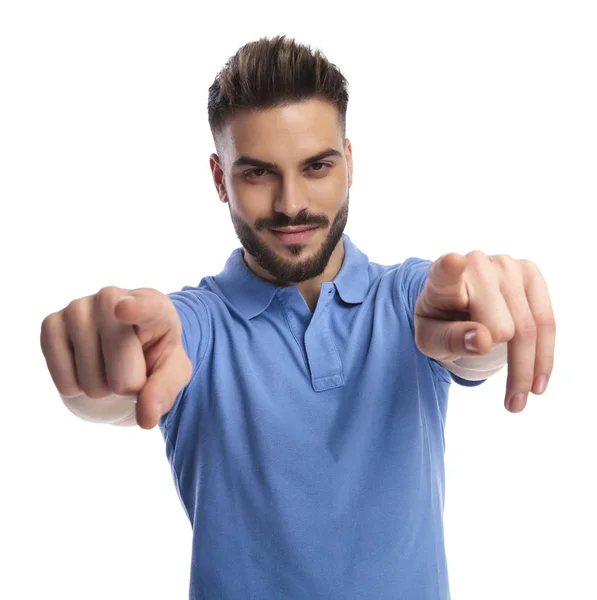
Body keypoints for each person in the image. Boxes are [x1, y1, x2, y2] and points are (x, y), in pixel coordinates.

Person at [40, 35, 555, 600]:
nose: (290, 204)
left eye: (316, 166)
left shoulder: (411, 299)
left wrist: (489, 325)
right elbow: (128, 382)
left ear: (350, 163)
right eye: (258, 173)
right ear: (219, 179)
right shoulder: (197, 327)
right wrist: (101, 376)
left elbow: (470, 342)